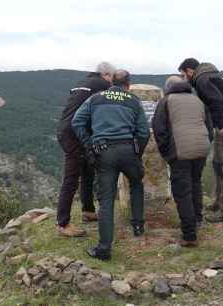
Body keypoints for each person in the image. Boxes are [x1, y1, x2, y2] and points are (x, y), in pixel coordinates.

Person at [72, 69, 150, 260]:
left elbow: (77, 122)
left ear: (111, 83)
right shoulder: (133, 100)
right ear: (128, 85)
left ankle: (104, 248)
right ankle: (138, 226)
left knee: (106, 200)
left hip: (103, 151)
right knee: (136, 183)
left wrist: (89, 145)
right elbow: (143, 132)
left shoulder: (96, 98)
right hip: (128, 150)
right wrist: (137, 153)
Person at [178, 58, 223, 223]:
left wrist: (221, 125)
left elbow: (217, 102)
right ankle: (219, 203)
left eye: (183, 75)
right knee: (218, 163)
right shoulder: (215, 76)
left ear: (190, 71)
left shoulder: (202, 80)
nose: (184, 79)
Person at [56, 62, 116, 237]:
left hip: (68, 130)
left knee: (88, 169)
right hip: (75, 133)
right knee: (71, 178)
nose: (111, 82)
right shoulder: (102, 85)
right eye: (111, 78)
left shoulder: (84, 82)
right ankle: (63, 223)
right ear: (106, 75)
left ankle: (88, 210)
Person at [152, 76, 213, 247]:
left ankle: (189, 235)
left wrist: (167, 153)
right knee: (195, 183)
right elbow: (209, 128)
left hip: (180, 152)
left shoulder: (166, 101)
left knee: (182, 191)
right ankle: (197, 220)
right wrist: (205, 144)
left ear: (168, 88)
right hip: (201, 148)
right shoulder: (198, 100)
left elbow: (159, 129)